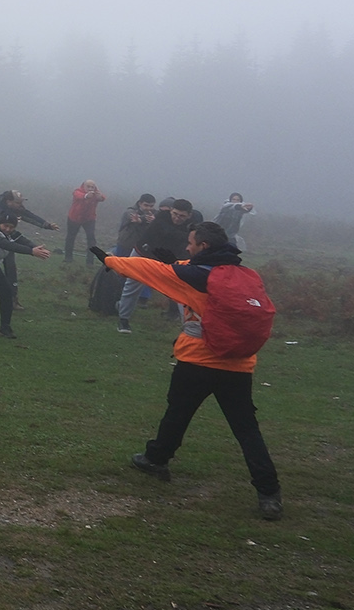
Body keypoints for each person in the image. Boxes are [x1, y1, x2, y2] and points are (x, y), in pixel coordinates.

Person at [94, 222, 283, 519]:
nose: (187, 246)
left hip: (197, 360)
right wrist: (177, 263)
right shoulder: (247, 274)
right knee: (246, 429)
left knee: (177, 414)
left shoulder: (193, 276)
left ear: (203, 246)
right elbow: (196, 271)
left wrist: (110, 260)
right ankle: (269, 494)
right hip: (239, 364)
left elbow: (149, 270)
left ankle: (156, 459)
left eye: (191, 243)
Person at [118, 198, 202, 333]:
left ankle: (188, 329)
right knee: (133, 284)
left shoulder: (194, 223)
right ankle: (123, 319)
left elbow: (190, 244)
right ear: (171, 210)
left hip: (172, 257)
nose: (177, 218)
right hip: (145, 251)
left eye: (182, 216)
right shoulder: (162, 217)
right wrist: (185, 236)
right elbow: (169, 233)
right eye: (175, 214)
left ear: (189, 215)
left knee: (181, 291)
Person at [66, 181, 107, 263]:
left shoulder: (95, 194)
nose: (90, 189)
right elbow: (78, 195)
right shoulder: (77, 191)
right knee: (71, 238)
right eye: (88, 187)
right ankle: (68, 258)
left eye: (92, 187)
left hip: (89, 219)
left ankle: (90, 261)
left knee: (91, 238)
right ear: (83, 186)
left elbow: (102, 198)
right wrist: (86, 196)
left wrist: (100, 197)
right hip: (74, 218)